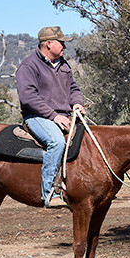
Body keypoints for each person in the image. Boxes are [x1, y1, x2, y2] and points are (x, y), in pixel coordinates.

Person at [16, 26, 85, 209]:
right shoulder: (28, 65)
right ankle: (49, 193)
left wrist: (77, 103)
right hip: (38, 117)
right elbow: (28, 97)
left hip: (63, 116)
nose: (64, 46)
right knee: (57, 142)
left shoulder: (64, 65)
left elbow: (74, 89)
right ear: (48, 44)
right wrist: (54, 116)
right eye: (61, 42)